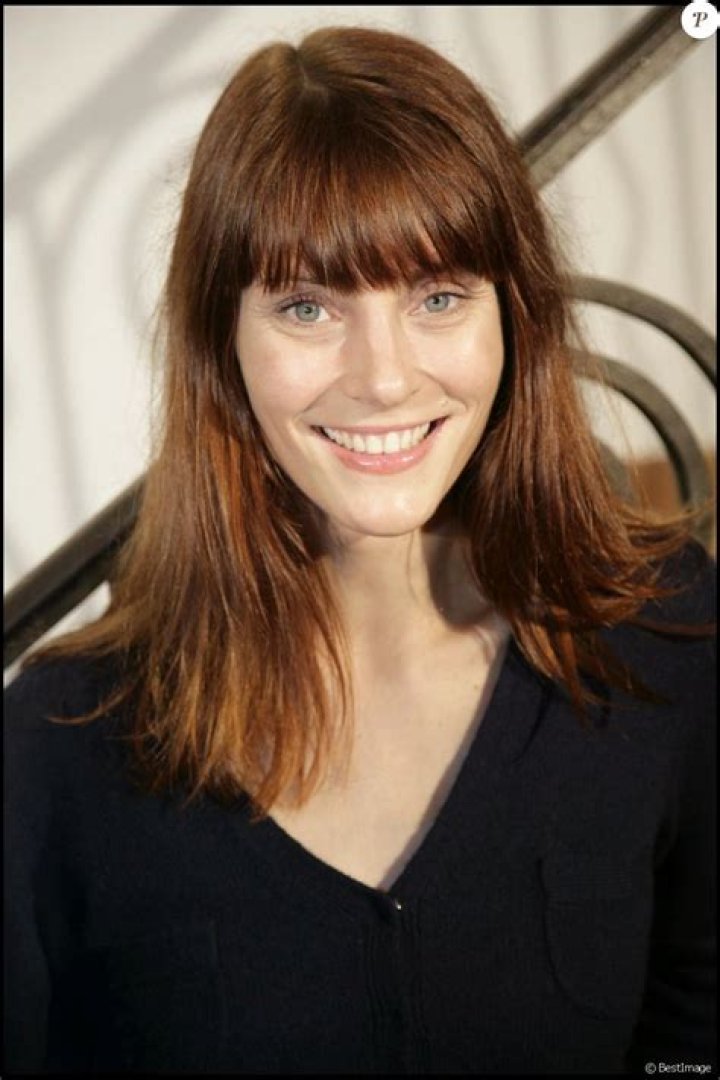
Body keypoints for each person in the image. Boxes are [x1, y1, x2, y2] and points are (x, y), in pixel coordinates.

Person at [3, 24, 716, 1077]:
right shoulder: (60, 744)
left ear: (512, 317)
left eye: (439, 296)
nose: (384, 378)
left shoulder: (665, 633)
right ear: (223, 344)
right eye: (306, 306)